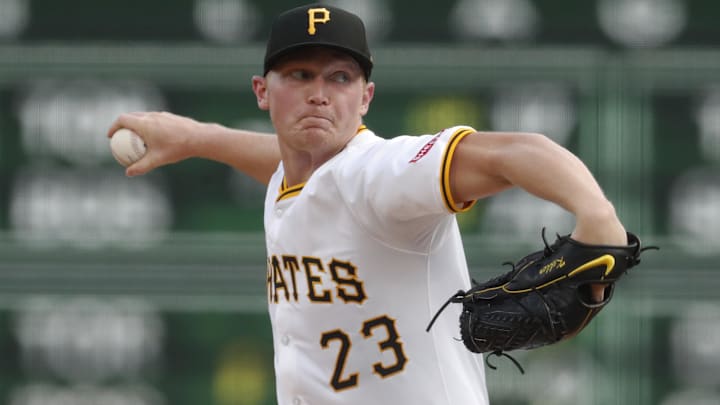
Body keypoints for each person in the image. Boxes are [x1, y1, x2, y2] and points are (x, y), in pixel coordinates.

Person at [108, 4, 628, 405]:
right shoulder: (297, 177)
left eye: (339, 77)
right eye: (300, 75)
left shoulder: (380, 174)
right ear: (263, 91)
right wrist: (196, 136)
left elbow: (520, 151)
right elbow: (286, 166)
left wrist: (597, 217)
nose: (319, 93)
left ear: (366, 97)